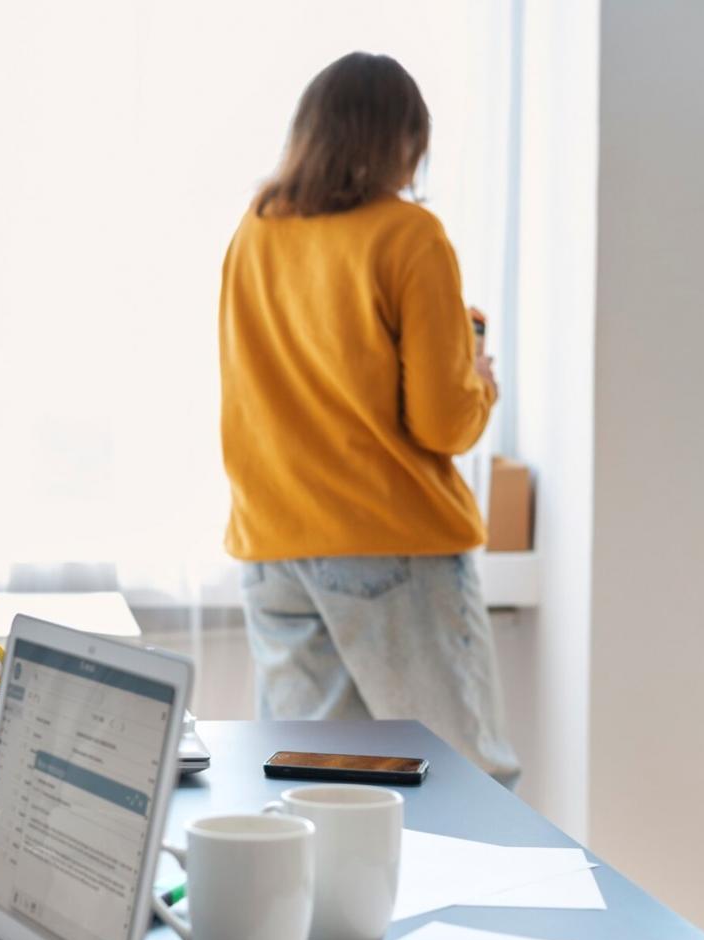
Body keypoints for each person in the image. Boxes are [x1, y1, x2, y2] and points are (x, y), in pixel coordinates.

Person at [219, 53, 520, 783]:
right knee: (464, 782)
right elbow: (443, 424)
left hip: (273, 547)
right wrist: (479, 384)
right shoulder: (409, 235)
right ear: (404, 140)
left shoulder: (255, 231)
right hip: (390, 543)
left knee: (315, 785)